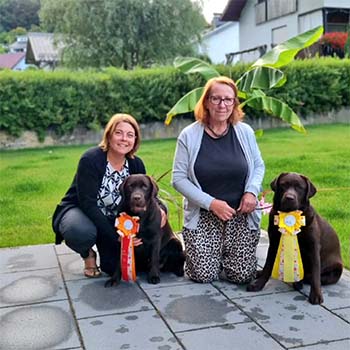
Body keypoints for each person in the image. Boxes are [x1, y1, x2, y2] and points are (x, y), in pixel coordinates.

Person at [172, 76, 265, 284]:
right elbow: (178, 178)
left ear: (234, 103)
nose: (222, 105)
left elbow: (259, 166)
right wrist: (211, 203)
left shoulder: (245, 132)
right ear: (206, 102)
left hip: (240, 214)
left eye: (228, 99)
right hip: (204, 215)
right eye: (216, 99)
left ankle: (225, 255)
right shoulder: (189, 135)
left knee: (242, 276)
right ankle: (211, 255)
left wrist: (251, 191)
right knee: (203, 275)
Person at [52, 113, 146, 277]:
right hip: (82, 211)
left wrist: (161, 211)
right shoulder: (91, 159)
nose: (124, 138)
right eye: (119, 133)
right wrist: (114, 236)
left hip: (117, 219)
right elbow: (88, 204)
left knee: (111, 268)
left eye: (130, 135)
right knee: (80, 231)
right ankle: (87, 254)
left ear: (135, 141)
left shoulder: (136, 164)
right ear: (109, 135)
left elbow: (145, 197)